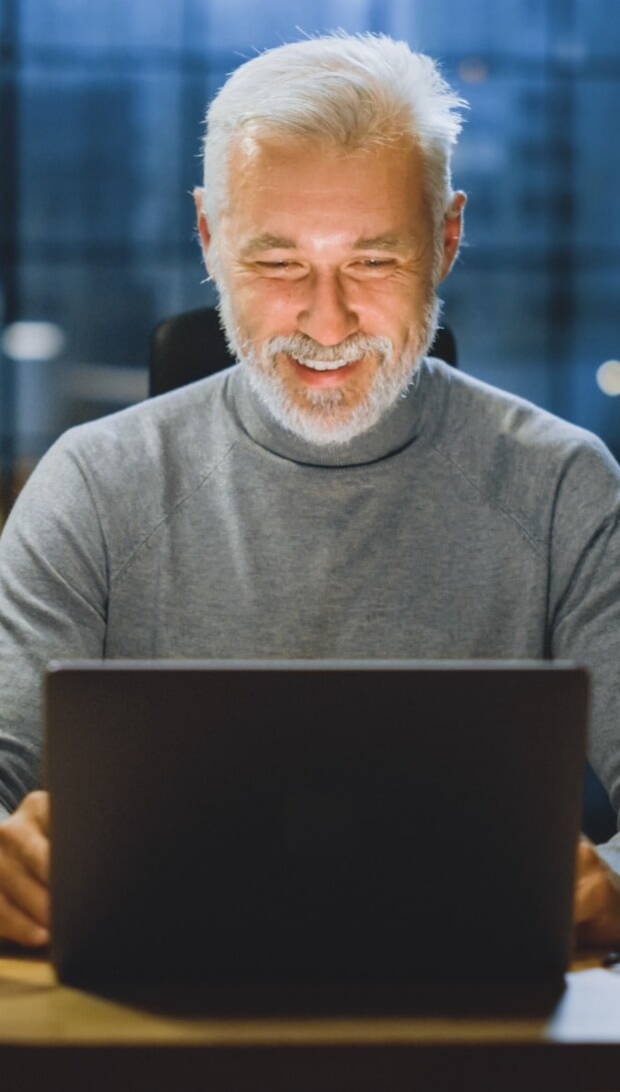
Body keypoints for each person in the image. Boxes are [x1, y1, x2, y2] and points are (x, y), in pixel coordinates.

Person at [1, 32, 619, 949]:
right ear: (209, 238)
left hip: (472, 1022)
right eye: (277, 262)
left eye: (374, 262)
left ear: (446, 239)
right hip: (150, 1019)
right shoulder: (93, 485)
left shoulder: (566, 487)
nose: (326, 323)